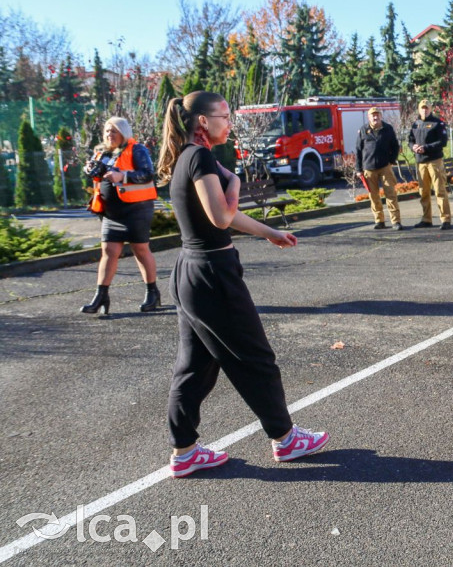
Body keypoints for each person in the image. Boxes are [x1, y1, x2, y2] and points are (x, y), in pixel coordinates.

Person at [157, 91, 329, 478]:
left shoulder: (189, 157)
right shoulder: (199, 157)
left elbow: (223, 217)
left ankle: (184, 451)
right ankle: (286, 439)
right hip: (212, 274)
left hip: (192, 272)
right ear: (203, 122)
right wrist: (233, 181)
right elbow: (221, 216)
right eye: (223, 116)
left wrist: (269, 232)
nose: (228, 122)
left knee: (195, 366)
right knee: (255, 358)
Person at [80, 117, 160, 315]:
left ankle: (152, 292)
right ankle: (101, 296)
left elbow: (148, 174)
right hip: (112, 211)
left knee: (140, 249)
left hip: (136, 209)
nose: (109, 134)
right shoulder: (101, 152)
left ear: (124, 133)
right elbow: (96, 173)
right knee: (108, 250)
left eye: (114, 131)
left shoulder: (137, 149)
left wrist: (122, 175)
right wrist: (89, 169)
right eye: (107, 131)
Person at [355, 106, 402, 230]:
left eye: (377, 115)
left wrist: (392, 160)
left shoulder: (388, 129)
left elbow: (395, 146)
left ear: (381, 116)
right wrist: (358, 169)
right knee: (374, 196)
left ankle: (396, 222)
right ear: (369, 117)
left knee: (391, 194)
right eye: (372, 115)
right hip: (368, 168)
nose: (375, 117)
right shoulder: (363, 130)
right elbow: (358, 151)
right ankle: (379, 221)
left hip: (385, 166)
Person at [408, 100, 452, 230]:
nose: (424, 110)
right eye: (422, 108)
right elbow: (410, 140)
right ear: (419, 109)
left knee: (439, 190)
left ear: (430, 109)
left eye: (426, 108)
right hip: (421, 162)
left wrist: (426, 148)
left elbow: (443, 142)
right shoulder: (416, 124)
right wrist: (413, 147)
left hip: (434, 161)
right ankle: (426, 219)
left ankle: (445, 219)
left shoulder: (437, 123)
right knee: (424, 192)